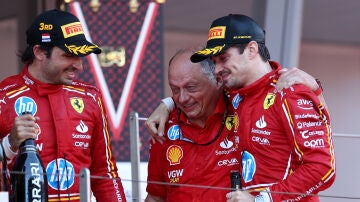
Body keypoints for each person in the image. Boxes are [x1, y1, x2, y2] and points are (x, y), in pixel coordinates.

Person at [189, 14, 335, 201]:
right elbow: (195, 97)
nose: (217, 70)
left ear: (251, 50)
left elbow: (323, 168)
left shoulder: (290, 93)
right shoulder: (233, 93)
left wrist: (262, 199)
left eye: (223, 58)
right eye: (214, 62)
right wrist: (166, 105)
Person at [0, 9, 126, 201]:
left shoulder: (90, 97)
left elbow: (105, 175)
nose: (79, 66)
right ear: (40, 52)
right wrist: (9, 145)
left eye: (80, 56)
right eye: (69, 55)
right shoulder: (4, 97)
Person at [145, 48, 241, 202]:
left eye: (191, 88)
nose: (182, 98)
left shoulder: (241, 111)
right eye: (175, 89)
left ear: (217, 80)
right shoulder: (163, 126)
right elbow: (156, 197)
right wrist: (168, 103)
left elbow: (259, 76)